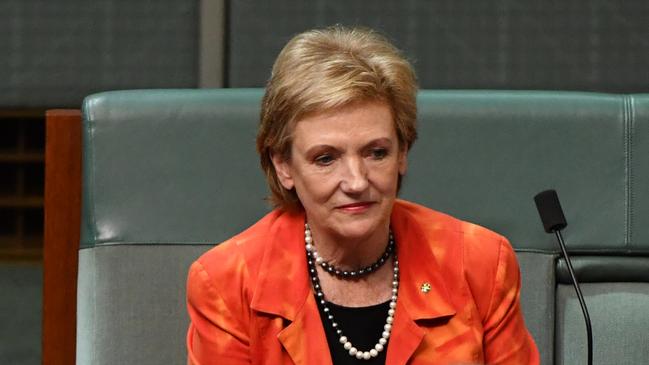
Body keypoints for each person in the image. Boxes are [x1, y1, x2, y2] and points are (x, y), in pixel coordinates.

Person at [186, 26, 539, 365]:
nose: (356, 181)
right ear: (284, 167)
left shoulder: (479, 263)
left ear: (403, 153)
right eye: (326, 158)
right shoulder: (228, 282)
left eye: (376, 153)